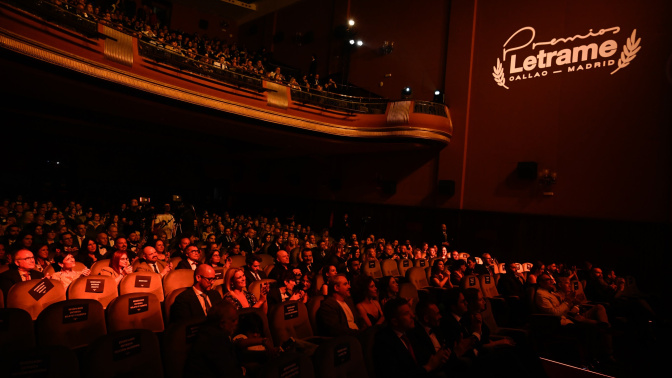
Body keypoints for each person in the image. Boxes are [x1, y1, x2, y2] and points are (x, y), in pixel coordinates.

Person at [372, 297, 451, 378]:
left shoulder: (411, 333)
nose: (413, 316)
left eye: (411, 311)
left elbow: (424, 359)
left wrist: (439, 360)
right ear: (395, 321)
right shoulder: (383, 342)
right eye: (406, 313)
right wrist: (428, 367)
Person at [183, 301, 245, 378]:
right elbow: (229, 372)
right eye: (233, 320)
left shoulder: (211, 333)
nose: (236, 323)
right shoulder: (215, 340)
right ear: (222, 323)